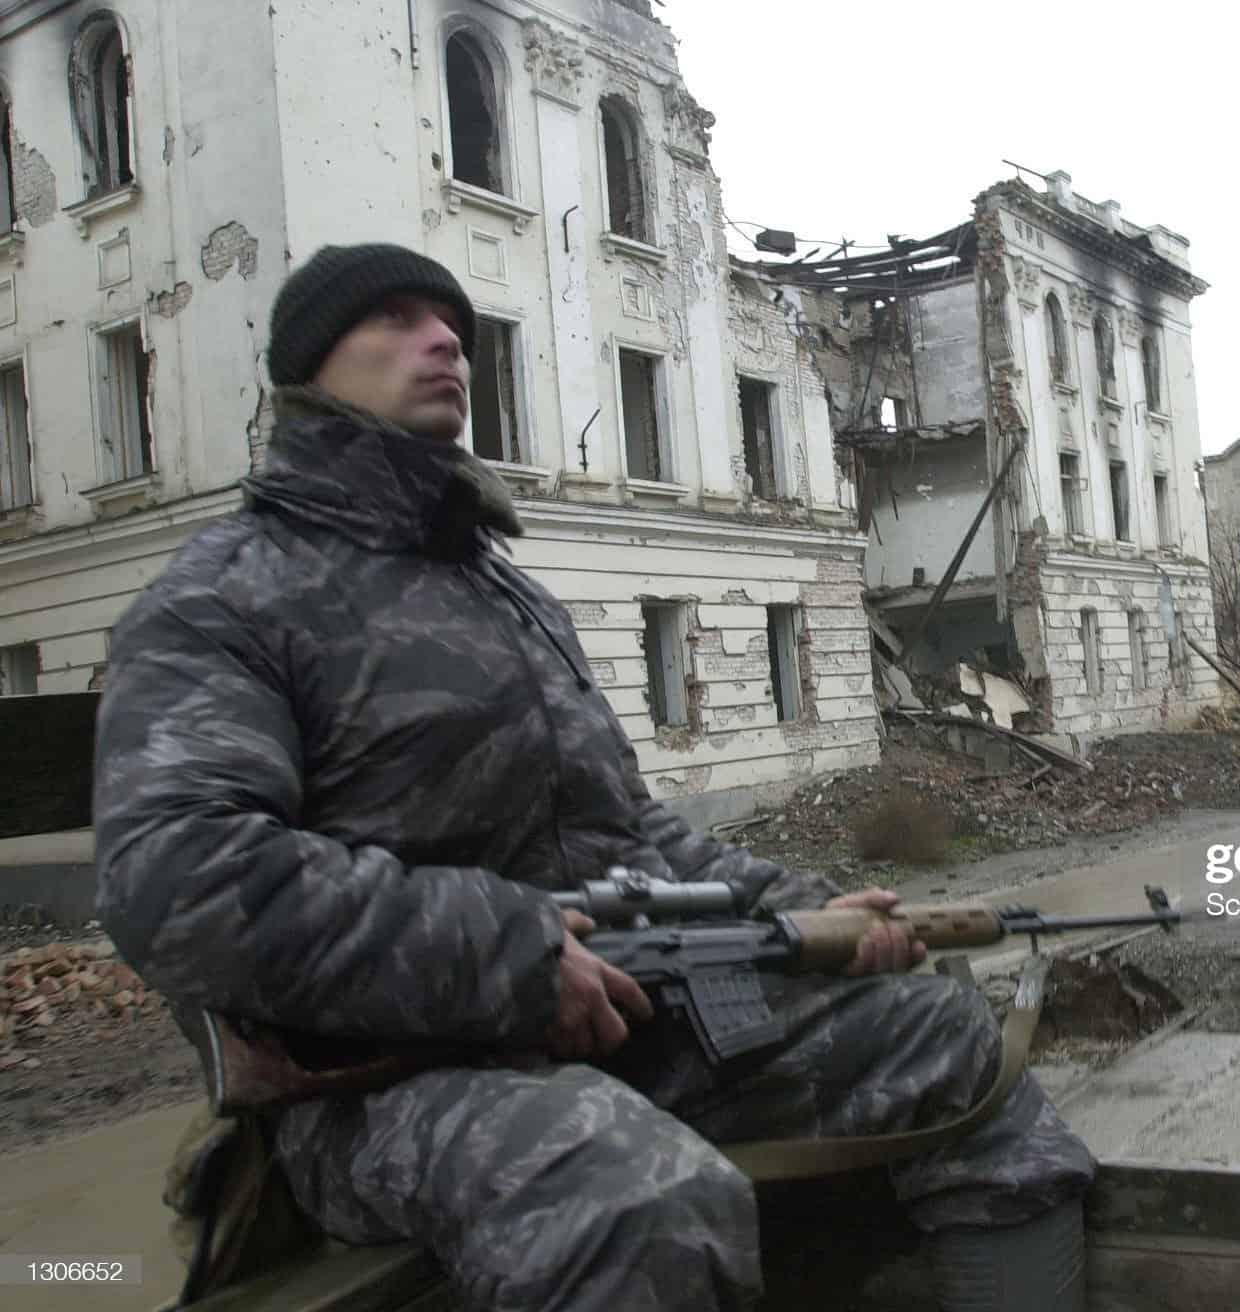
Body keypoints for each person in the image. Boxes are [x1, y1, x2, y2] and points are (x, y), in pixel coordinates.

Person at [91, 244, 1093, 1312]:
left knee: (945, 1038)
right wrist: (509, 953)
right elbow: (177, 881)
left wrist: (812, 917)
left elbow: (627, 839)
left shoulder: (503, 596)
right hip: (387, 1085)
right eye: (391, 319)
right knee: (634, 1198)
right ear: (303, 371)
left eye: (452, 326)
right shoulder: (223, 597)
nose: (442, 343)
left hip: (623, 1021)